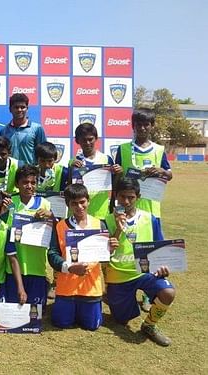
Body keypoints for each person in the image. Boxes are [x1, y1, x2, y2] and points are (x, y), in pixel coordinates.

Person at [105, 178, 175, 346]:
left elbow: (160, 247)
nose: (126, 201)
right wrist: (117, 230)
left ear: (138, 197)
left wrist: (163, 267)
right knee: (122, 320)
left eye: (131, 197)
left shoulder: (150, 219)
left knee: (168, 293)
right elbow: (104, 254)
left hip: (145, 272)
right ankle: (120, 301)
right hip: (118, 276)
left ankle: (149, 325)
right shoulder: (106, 220)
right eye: (122, 197)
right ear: (116, 196)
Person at [48, 184, 118, 330]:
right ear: (68, 205)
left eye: (82, 202)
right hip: (66, 288)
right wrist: (71, 268)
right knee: (62, 323)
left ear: (88, 201)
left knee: (91, 326)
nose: (79, 207)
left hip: (91, 288)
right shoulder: (60, 226)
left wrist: (110, 249)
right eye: (74, 203)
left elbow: (104, 256)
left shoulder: (100, 224)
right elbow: (52, 254)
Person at [3, 165, 53, 310]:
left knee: (37, 311)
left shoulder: (44, 203)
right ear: (17, 184)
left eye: (33, 182)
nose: (29, 186)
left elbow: (55, 228)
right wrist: (3, 211)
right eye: (25, 182)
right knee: (14, 308)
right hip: (14, 263)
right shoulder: (9, 202)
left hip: (36, 264)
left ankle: (45, 285)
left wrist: (50, 215)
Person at [114, 108, 173, 226]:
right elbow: (116, 180)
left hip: (151, 207)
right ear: (133, 126)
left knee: (149, 241)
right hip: (127, 206)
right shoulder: (123, 148)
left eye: (146, 124)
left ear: (152, 126)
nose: (142, 128)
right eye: (138, 125)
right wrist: (118, 172)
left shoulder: (159, 149)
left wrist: (162, 171)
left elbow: (169, 175)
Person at [69, 122, 122, 220]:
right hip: (79, 215)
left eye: (90, 139)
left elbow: (114, 186)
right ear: (77, 141)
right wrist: (71, 171)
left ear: (96, 138)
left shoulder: (107, 160)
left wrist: (118, 174)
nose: (87, 143)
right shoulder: (73, 162)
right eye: (84, 140)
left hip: (101, 214)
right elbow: (69, 188)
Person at [0, 93, 46, 165]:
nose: (19, 110)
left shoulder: (37, 129)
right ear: (10, 109)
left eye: (23, 107)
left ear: (27, 109)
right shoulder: (4, 131)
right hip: (10, 173)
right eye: (16, 107)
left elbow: (43, 154)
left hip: (29, 173)